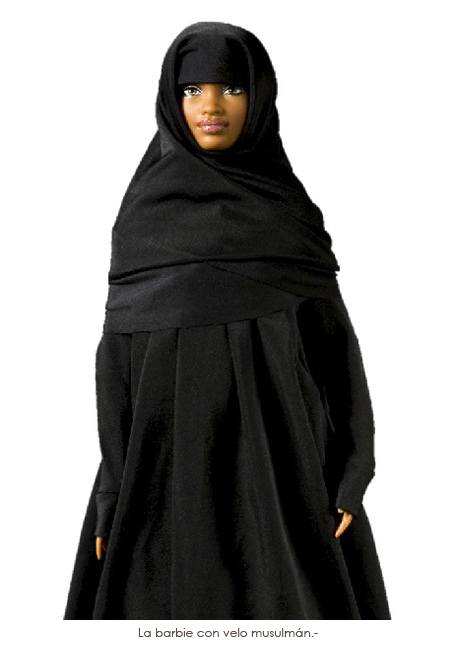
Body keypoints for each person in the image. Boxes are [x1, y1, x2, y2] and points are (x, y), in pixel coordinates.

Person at [63, 21, 391, 620]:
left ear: (259, 97)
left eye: (232, 88)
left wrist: (354, 469)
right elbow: (115, 370)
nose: (210, 106)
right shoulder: (141, 221)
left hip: (286, 478)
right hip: (159, 479)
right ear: (171, 100)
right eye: (192, 90)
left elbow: (338, 355)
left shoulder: (290, 219)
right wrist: (113, 487)